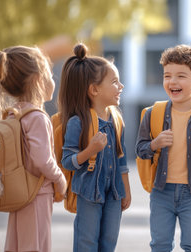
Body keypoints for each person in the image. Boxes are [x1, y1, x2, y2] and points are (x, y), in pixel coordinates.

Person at [135, 44, 191, 252]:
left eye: (181, 76)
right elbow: (140, 149)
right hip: (161, 191)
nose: (172, 81)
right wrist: (155, 144)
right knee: (160, 245)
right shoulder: (152, 113)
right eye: (167, 76)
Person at [0, 46, 67, 252]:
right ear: (38, 79)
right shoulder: (37, 117)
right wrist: (60, 179)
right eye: (50, 74)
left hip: (18, 194)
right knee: (36, 245)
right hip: (37, 195)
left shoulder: (13, 115)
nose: (53, 81)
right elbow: (42, 159)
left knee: (17, 244)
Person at [59, 43, 131, 252]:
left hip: (114, 193)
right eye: (115, 82)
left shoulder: (116, 120)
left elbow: (121, 159)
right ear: (94, 89)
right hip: (89, 192)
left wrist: (125, 189)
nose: (121, 86)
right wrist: (90, 151)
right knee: (87, 243)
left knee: (108, 243)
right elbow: (67, 161)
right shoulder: (78, 122)